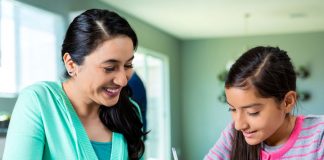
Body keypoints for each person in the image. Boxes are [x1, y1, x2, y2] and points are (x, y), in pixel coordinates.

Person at [3, 9, 146, 160]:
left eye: (128, 65)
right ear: (71, 64)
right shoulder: (38, 101)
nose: (123, 80)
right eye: (109, 68)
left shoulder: (130, 111)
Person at [204, 46, 324, 160]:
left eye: (253, 112)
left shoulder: (319, 136)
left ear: (287, 102)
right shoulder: (232, 135)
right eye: (232, 109)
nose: (239, 125)